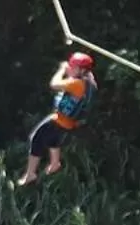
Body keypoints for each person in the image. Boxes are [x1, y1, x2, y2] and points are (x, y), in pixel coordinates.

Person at [18, 51, 98, 184]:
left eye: (74, 67)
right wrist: (72, 71)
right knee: (51, 138)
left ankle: (30, 173)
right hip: (68, 124)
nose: (70, 69)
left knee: (36, 138)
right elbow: (78, 79)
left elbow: (54, 84)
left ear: (82, 70)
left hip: (58, 120)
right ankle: (55, 163)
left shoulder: (76, 84)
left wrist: (61, 70)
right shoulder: (90, 83)